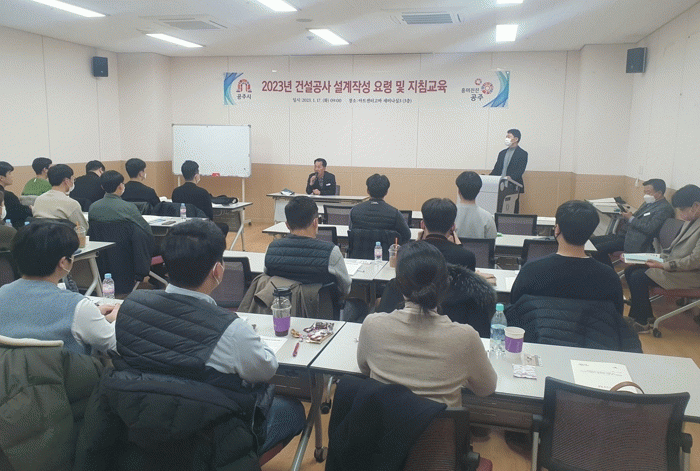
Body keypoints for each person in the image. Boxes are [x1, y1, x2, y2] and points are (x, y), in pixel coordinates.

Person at [112, 219, 306, 456]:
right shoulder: (232, 330)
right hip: (208, 440)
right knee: (291, 410)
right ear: (218, 270)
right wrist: (252, 337)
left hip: (140, 428)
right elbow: (265, 369)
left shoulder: (130, 306)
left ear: (166, 266)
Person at [357, 241, 497, 407]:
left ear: (399, 284)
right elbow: (486, 388)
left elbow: (364, 368)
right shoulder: (466, 338)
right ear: (446, 284)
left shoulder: (372, 326)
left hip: (385, 423)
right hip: (440, 425)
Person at [0, 220, 117, 354]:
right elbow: (114, 346)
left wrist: (93, 316)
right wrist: (115, 320)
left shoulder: (2, 293)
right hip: (66, 368)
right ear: (63, 263)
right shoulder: (78, 307)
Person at [511, 200, 624, 314]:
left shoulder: (531, 270)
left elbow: (514, 308)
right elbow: (616, 316)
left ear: (557, 230)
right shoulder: (609, 277)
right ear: (591, 232)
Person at [625, 184, 700, 333]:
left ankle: (643, 322)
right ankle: (640, 316)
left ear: (696, 206)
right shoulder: (692, 221)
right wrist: (650, 259)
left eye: (682, 209)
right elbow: (672, 249)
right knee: (630, 270)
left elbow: (695, 260)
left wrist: (663, 265)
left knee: (639, 277)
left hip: (690, 274)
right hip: (676, 266)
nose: (680, 214)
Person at [265, 195, 351, 298]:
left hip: (283, 305)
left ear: (287, 225)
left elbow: (268, 280)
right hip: (321, 307)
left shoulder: (272, 249)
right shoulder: (331, 252)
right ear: (315, 222)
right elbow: (346, 289)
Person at [591, 178, 675, 267]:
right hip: (625, 235)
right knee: (592, 242)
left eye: (648, 192)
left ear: (659, 193)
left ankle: (607, 272)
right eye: (645, 192)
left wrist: (631, 218)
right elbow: (637, 217)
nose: (646, 195)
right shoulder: (648, 203)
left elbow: (650, 228)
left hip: (636, 242)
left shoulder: (664, 208)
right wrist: (628, 215)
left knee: (598, 249)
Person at [88, 170, 153, 238]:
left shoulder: (93, 207)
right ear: (120, 186)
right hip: (126, 244)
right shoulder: (129, 207)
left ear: (102, 187)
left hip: (101, 244)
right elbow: (146, 229)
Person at [348, 173, 411, 243]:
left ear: (367, 190)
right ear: (386, 192)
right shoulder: (395, 213)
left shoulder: (354, 211)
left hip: (359, 250)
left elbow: (351, 230)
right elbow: (407, 236)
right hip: (386, 250)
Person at [172, 160, 229, 235]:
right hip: (200, 228)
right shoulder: (202, 192)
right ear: (196, 176)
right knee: (224, 227)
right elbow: (209, 216)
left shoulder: (176, 192)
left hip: (182, 227)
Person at [417, 197, 476, 270]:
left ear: (422, 224)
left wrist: (416, 244)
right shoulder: (467, 257)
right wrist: (459, 246)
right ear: (453, 227)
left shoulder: (408, 254)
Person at [32, 164, 89, 231]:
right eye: (73, 179)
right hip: (64, 237)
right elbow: (83, 229)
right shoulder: (72, 204)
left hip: (40, 236)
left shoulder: (38, 200)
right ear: (67, 181)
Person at [454, 171, 497, 239]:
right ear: (478, 191)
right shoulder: (487, 218)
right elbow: (492, 242)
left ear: (459, 191)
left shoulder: (449, 214)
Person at [0, 161, 33, 227]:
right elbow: (20, 213)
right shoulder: (8, 196)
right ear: (1, 178)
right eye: (9, 173)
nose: (12, 176)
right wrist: (30, 208)